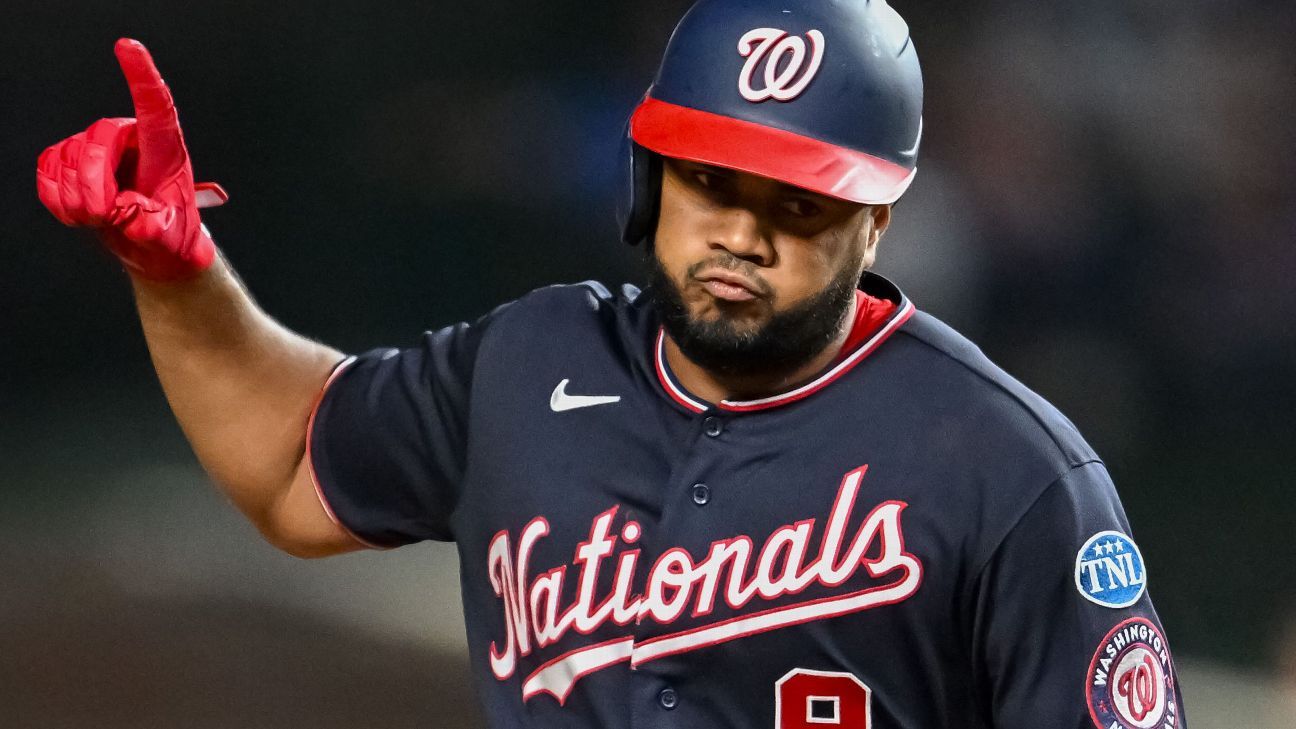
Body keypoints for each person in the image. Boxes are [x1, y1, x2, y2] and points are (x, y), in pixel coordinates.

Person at [36, 1, 1187, 727]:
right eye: (711, 183)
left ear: (877, 223)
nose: (741, 233)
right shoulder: (531, 363)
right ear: (648, 180)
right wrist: (178, 270)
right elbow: (293, 465)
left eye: (796, 203)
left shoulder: (1011, 469)